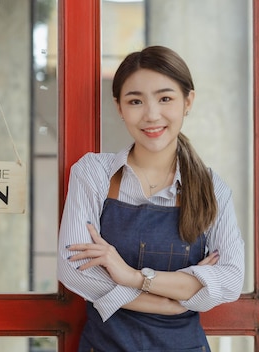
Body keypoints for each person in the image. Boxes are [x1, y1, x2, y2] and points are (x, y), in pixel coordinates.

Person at [57, 45, 244, 352]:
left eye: (165, 98)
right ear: (119, 107)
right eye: (135, 101)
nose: (151, 114)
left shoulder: (212, 189)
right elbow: (73, 270)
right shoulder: (94, 173)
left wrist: (132, 276)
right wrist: (169, 300)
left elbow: (229, 282)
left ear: (188, 101)